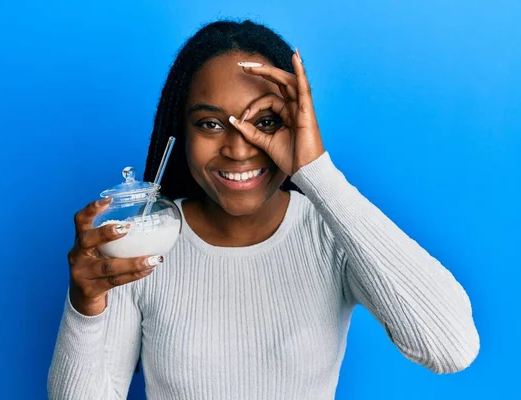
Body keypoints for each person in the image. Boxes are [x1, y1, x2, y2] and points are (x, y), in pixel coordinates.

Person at [48, 19, 480, 400]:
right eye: (210, 124)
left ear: (296, 123)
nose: (238, 148)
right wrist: (85, 306)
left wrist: (316, 171)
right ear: (180, 132)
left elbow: (450, 348)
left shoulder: (330, 231)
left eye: (265, 122)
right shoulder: (143, 239)